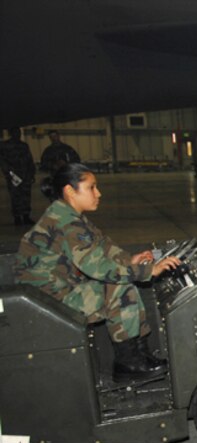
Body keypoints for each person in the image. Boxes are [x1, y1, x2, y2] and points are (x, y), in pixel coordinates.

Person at [15, 163, 181, 381]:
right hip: (45, 302)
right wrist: (148, 270)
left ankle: (139, 354)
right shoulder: (65, 222)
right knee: (118, 288)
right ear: (70, 191)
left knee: (124, 281)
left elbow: (103, 247)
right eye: (92, 187)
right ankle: (128, 363)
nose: (98, 193)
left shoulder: (71, 216)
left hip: (59, 290)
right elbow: (98, 267)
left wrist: (130, 259)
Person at [0, 127, 37, 225]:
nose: (18, 134)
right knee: (15, 196)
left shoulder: (24, 146)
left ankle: (26, 216)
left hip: (25, 174)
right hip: (13, 175)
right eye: (15, 132)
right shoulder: (4, 146)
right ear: (11, 133)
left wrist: (32, 173)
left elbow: (29, 160)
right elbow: (3, 161)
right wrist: (8, 173)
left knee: (26, 196)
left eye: (19, 132)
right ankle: (17, 217)